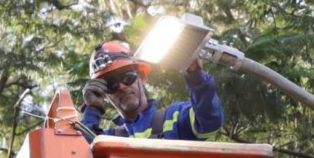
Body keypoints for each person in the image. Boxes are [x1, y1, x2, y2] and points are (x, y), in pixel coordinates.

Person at [80, 41, 224, 141]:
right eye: (111, 85)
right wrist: (92, 109)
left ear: (141, 78)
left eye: (127, 77)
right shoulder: (109, 139)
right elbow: (79, 154)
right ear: (105, 96)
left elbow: (209, 119)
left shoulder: (175, 117)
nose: (122, 87)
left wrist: (195, 76)